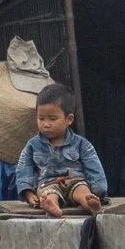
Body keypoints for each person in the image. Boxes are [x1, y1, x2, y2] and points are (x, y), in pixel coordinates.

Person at [15, 83, 108, 217]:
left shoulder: (82, 144)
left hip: (76, 181)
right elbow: (24, 170)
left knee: (82, 191)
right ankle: (52, 206)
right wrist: (28, 193)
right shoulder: (32, 146)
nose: (46, 124)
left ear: (69, 119)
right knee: (49, 195)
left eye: (52, 119)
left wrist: (98, 190)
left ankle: (91, 205)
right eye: (41, 118)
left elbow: (94, 167)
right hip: (48, 184)